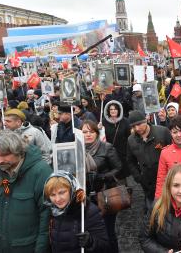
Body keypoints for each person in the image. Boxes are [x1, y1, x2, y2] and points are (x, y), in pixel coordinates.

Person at [0, 130, 53, 252]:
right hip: (0, 246)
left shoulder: (41, 172)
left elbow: (46, 221)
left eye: (4, 155)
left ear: (18, 152)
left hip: (28, 248)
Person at [44, 171, 110, 253]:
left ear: (72, 190)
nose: (57, 199)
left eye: (62, 192)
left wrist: (91, 242)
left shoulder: (87, 210)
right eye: (53, 195)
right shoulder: (53, 211)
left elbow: (105, 246)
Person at [81, 120, 122, 253]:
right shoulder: (77, 150)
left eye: (91, 132)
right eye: (84, 132)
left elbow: (118, 168)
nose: (88, 135)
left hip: (105, 195)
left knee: (108, 231)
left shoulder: (106, 147)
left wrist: (103, 176)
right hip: (86, 197)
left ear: (97, 133)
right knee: (92, 231)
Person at [127, 110, 171, 210]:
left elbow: (173, 152)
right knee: (153, 210)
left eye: (139, 124)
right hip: (147, 183)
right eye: (133, 126)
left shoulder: (163, 132)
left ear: (146, 120)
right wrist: (138, 176)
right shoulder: (131, 140)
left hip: (166, 179)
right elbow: (130, 160)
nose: (137, 128)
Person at [102, 100, 131, 180]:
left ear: (119, 110)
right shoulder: (103, 122)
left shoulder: (125, 121)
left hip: (123, 151)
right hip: (110, 152)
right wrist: (99, 129)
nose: (113, 111)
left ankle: (125, 188)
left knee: (123, 173)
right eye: (111, 109)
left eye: (115, 109)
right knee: (113, 173)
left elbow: (129, 136)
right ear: (108, 111)